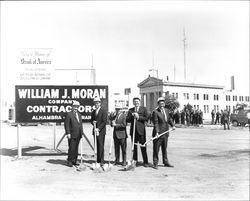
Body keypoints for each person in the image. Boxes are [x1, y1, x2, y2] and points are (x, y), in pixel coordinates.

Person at [152, 97, 176, 169]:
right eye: (160, 103)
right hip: (158, 134)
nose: (162, 104)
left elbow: (169, 119)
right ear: (158, 104)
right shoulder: (155, 112)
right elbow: (155, 123)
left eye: (163, 103)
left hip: (165, 133)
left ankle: (165, 162)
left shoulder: (166, 110)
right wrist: (157, 132)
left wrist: (173, 125)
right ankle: (155, 163)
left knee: (164, 148)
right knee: (156, 149)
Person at [126, 97, 149, 167]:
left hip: (141, 131)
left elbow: (147, 118)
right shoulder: (130, 110)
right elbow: (127, 120)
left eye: (137, 101)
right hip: (133, 131)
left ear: (139, 102)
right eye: (135, 102)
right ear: (133, 103)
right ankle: (135, 161)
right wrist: (132, 116)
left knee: (143, 146)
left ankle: (145, 162)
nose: (136, 103)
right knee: (134, 147)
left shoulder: (144, 109)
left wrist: (138, 117)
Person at [64, 101, 84, 167]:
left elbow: (80, 124)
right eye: (75, 106)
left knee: (76, 148)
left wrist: (82, 132)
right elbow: (66, 125)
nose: (76, 108)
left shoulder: (79, 114)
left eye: (77, 107)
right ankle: (69, 161)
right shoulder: (69, 114)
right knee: (71, 148)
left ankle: (74, 160)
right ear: (72, 107)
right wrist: (68, 133)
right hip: (72, 134)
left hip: (78, 134)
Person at [90, 97, 108, 167]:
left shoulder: (103, 111)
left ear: (100, 103)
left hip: (101, 131)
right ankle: (97, 160)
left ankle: (102, 161)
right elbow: (91, 120)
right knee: (96, 146)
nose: (96, 104)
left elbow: (104, 121)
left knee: (101, 146)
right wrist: (93, 122)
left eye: (97, 103)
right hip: (95, 130)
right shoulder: (93, 112)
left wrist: (99, 128)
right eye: (95, 103)